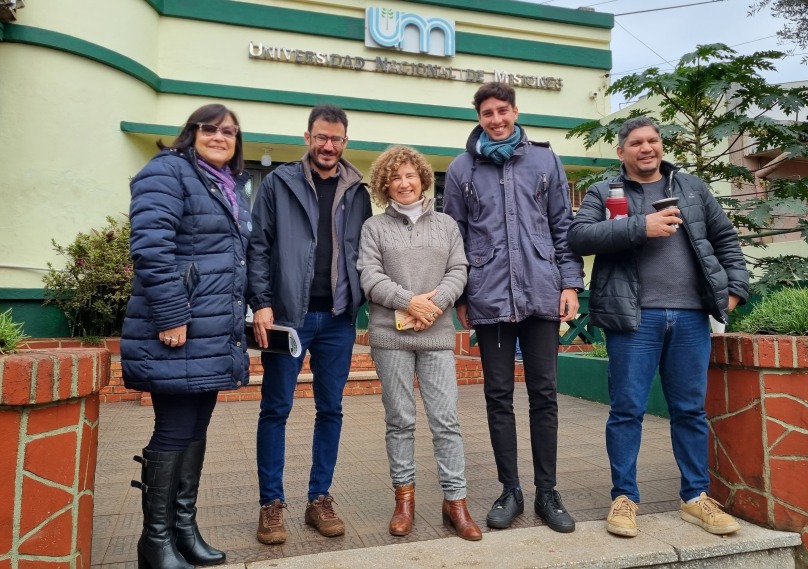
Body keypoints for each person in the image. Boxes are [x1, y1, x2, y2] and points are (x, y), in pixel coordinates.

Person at [567, 116, 749, 538]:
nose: (646, 148)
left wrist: (733, 291)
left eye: (652, 140)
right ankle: (625, 498)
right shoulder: (603, 191)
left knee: (689, 410)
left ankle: (695, 497)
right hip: (634, 317)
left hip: (690, 316)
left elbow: (725, 240)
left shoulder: (692, 188)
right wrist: (639, 226)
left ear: (661, 145)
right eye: (635, 142)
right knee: (627, 409)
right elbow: (579, 236)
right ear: (621, 152)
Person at [443, 82, 584, 534]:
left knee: (544, 395)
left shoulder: (545, 160)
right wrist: (463, 295)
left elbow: (564, 227)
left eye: (503, 111)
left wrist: (571, 284)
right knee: (497, 396)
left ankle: (547, 491)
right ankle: (511, 490)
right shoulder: (461, 168)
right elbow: (455, 239)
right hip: (489, 297)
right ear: (479, 117)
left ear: (515, 111)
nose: (496, 119)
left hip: (542, 293)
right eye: (488, 113)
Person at [121, 103, 251, 569]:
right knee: (174, 428)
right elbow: (150, 247)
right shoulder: (168, 172)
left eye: (230, 132)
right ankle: (154, 542)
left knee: (196, 427)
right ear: (191, 132)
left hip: (214, 331)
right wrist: (173, 315)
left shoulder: (227, 186)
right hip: (179, 327)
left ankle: (182, 529)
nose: (220, 136)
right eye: (211, 128)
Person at [247, 105, 372, 546]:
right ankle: (271, 504)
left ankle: (319, 498)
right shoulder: (279, 183)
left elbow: (366, 249)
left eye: (336, 139)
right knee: (276, 409)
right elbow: (258, 245)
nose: (328, 146)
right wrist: (260, 302)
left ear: (344, 142)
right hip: (287, 319)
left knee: (331, 410)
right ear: (307, 137)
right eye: (321, 137)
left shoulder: (358, 190)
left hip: (338, 319)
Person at [358, 146, 481, 541]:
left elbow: (459, 269)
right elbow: (369, 276)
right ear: (385, 184)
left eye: (411, 175)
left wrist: (434, 304)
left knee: (446, 421)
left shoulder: (446, 225)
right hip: (390, 338)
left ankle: (456, 502)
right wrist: (407, 302)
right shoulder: (373, 228)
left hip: (436, 335)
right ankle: (404, 501)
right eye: (396, 177)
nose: (404, 183)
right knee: (400, 421)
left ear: (423, 179)